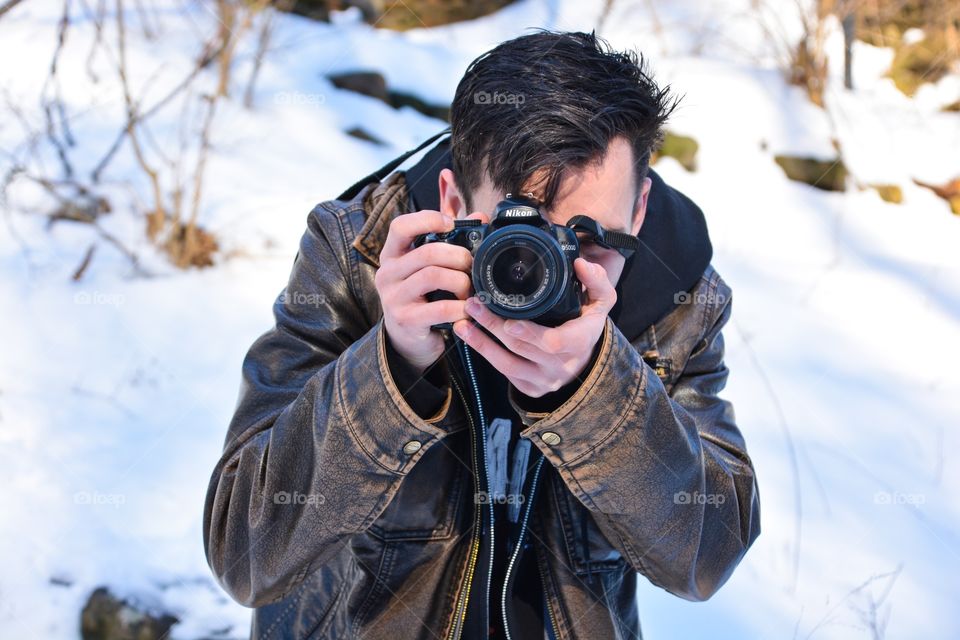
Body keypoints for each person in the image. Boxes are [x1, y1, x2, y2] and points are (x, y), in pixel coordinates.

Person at [203, 30, 761, 640]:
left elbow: (706, 559)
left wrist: (598, 396)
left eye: (592, 241)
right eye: (514, 237)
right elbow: (245, 555)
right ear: (450, 197)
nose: (551, 270)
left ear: (640, 209)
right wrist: (392, 368)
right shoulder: (362, 261)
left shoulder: (676, 302)